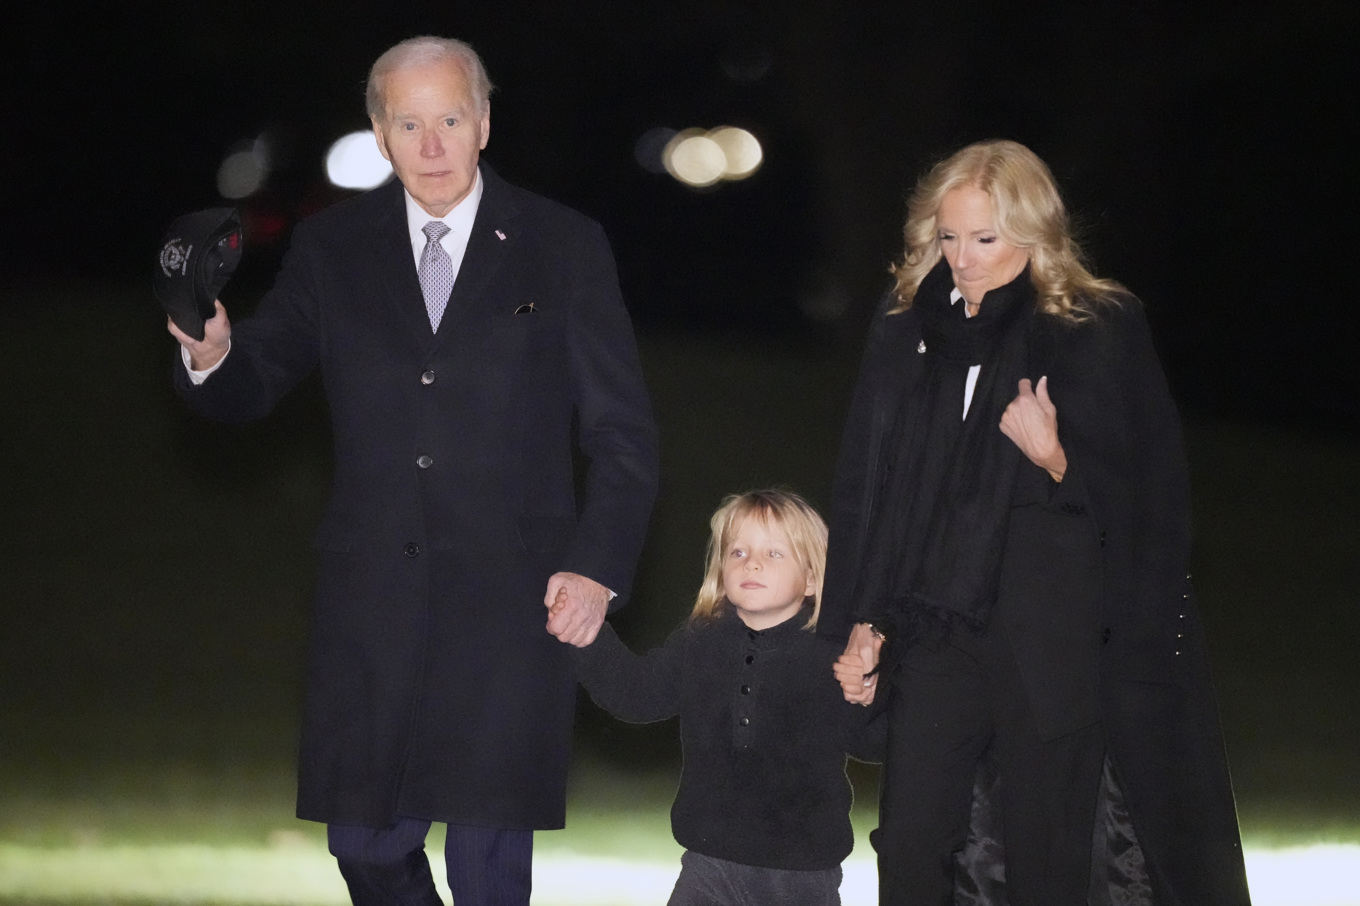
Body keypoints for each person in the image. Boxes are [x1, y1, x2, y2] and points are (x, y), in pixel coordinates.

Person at [167, 36, 658, 906]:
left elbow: (622, 432)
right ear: (379, 133)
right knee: (364, 845)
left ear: (485, 123)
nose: (431, 146)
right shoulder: (333, 247)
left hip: (514, 601)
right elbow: (256, 376)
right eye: (408, 125)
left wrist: (597, 568)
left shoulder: (561, 244)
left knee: (488, 870)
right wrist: (212, 356)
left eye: (450, 121)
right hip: (373, 603)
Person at [819, 140, 1251, 904]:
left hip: (1052, 646)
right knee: (910, 846)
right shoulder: (906, 329)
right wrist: (863, 617)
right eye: (949, 236)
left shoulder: (1093, 325)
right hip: (936, 631)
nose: (963, 258)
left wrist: (1056, 460)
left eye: (985, 238)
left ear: (1032, 232)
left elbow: (1153, 503)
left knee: (1047, 860)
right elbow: (870, 488)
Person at [570, 489, 883, 906]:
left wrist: (868, 695)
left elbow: (872, 744)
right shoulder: (701, 639)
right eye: (738, 552)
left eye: (774, 553)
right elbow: (637, 695)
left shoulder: (834, 654)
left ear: (811, 578)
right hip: (707, 864)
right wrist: (585, 634)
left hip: (801, 873)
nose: (751, 562)